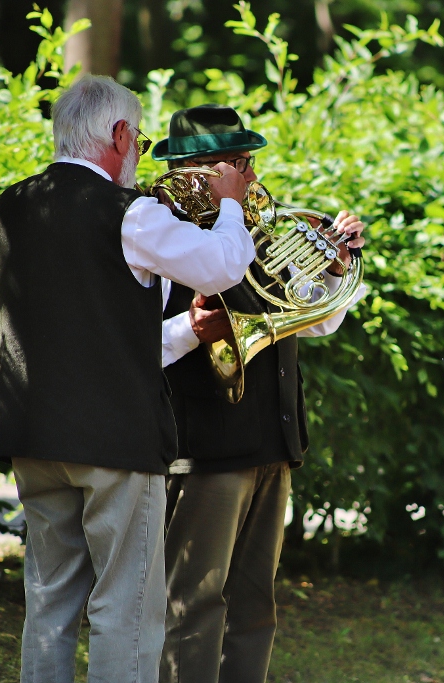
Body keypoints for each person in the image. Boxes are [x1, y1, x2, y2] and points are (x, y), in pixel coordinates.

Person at [0, 77, 256, 683]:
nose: (138, 151)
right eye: (137, 138)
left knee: (49, 603)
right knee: (127, 611)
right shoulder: (129, 212)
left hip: (31, 434)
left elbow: (90, 328)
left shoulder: (10, 206)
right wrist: (231, 201)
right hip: (115, 442)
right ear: (119, 134)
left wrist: (185, 330)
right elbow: (221, 264)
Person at [152, 104, 366, 683]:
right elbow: (137, 345)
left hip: (272, 439)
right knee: (193, 605)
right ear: (200, 172)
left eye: (248, 163)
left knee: (255, 607)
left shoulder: (257, 227)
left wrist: (334, 266)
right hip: (206, 447)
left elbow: (313, 320)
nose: (252, 177)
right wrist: (194, 329)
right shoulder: (161, 236)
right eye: (239, 165)